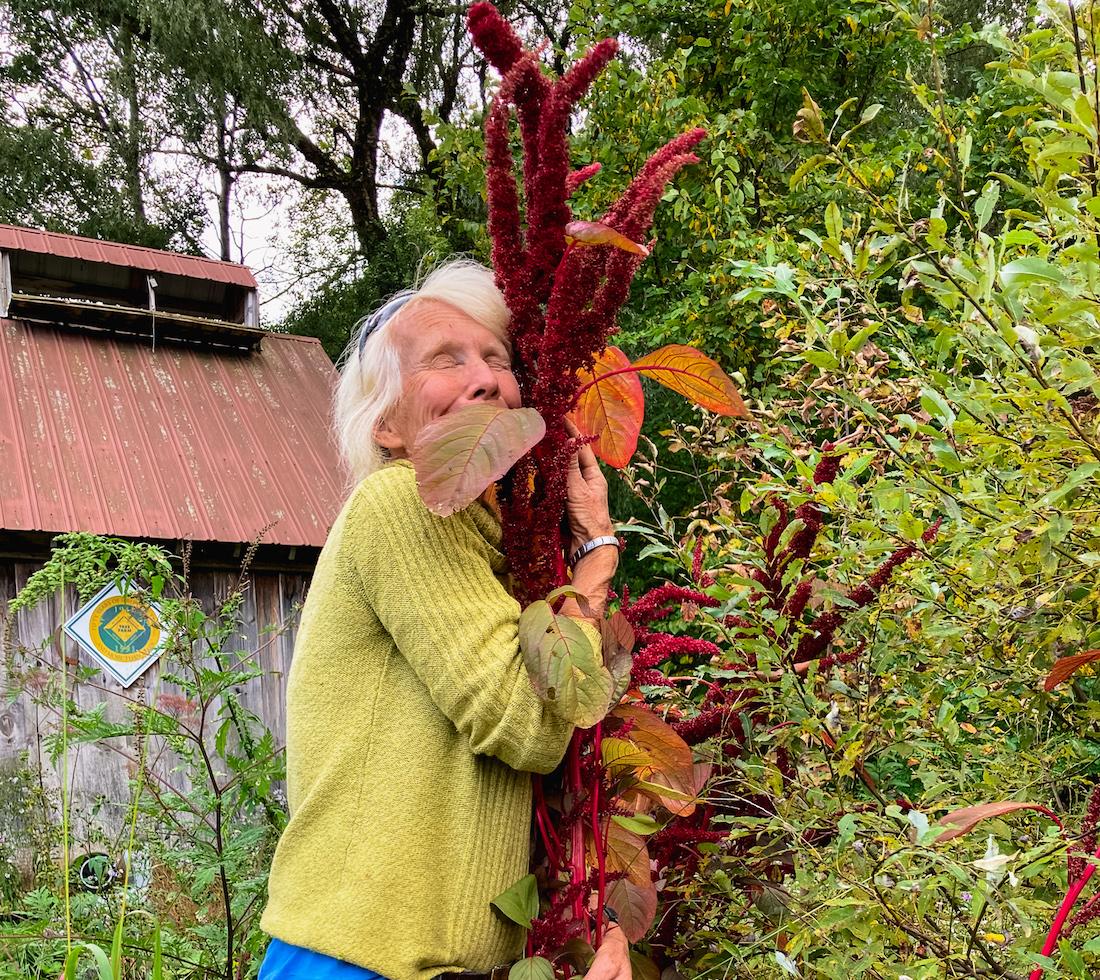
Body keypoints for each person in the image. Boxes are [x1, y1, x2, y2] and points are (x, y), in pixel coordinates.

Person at [258, 260, 630, 980]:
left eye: (498, 358)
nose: (487, 377)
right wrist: (599, 553)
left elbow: (564, 774)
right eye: (445, 359)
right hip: (354, 961)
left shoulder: (503, 556)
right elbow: (530, 724)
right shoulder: (398, 506)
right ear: (389, 427)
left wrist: (594, 923)